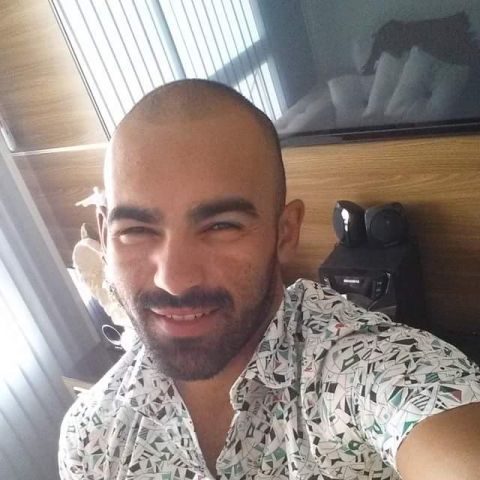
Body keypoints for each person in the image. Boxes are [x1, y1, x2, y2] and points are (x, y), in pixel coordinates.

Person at [59, 79, 480, 480]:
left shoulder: (369, 370)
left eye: (221, 225)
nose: (174, 280)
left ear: (284, 233)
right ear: (104, 234)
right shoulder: (91, 436)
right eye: (136, 230)